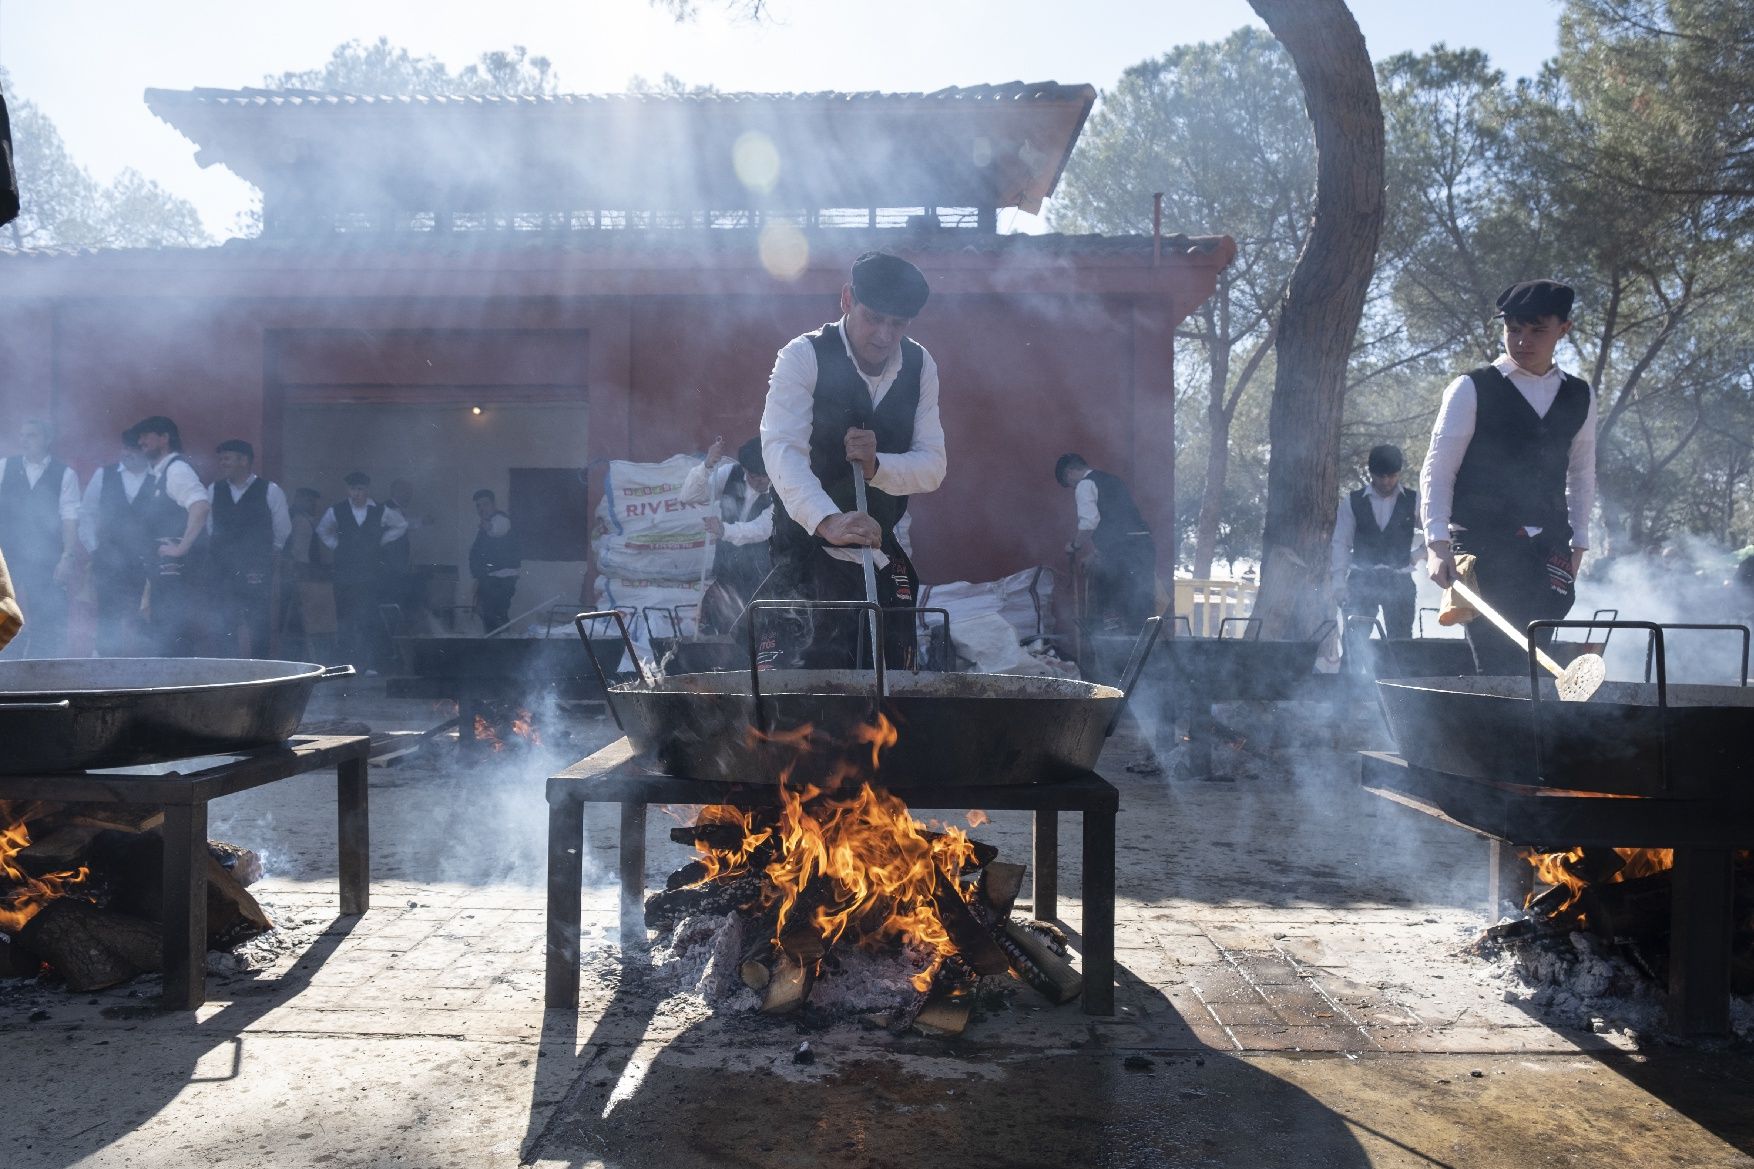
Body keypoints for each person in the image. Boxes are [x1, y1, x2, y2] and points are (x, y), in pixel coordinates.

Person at [757, 251, 945, 669]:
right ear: (846, 300)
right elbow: (782, 452)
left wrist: (878, 468)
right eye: (874, 318)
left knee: (888, 681)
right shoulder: (802, 356)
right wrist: (829, 521)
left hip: (878, 546)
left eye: (897, 324)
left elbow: (933, 466)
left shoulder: (920, 365)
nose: (883, 335)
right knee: (805, 688)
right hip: (804, 550)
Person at [1421, 279, 1597, 675]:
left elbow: (1582, 472)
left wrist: (1580, 541)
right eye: (1514, 329)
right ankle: (1498, 733)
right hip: (1484, 545)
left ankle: (1530, 734)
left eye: (1537, 330)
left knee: (1534, 660)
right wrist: (1436, 543)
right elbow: (1438, 467)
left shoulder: (1580, 395)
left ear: (1563, 330)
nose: (1523, 340)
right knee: (1497, 663)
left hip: (1550, 547)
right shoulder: (1471, 388)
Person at [0, 419, 81, 657]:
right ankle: (4, 672)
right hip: (9, 556)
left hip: (47, 558)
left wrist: (67, 556)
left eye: (32, 435)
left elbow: (70, 518)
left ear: (47, 440)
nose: (25, 441)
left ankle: (40, 674)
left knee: (48, 619)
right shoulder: (4, 466)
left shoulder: (65, 474)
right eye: (23, 435)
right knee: (5, 615)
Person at [132, 415, 210, 657]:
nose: (140, 440)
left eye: (147, 434)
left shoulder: (177, 469)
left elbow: (200, 505)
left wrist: (181, 547)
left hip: (176, 573)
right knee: (164, 632)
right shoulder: (159, 473)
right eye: (140, 436)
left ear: (165, 438)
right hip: (163, 571)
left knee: (173, 634)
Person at [207, 439, 292, 657]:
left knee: (258, 622)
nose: (222, 463)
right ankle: (229, 675)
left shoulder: (270, 490)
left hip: (256, 567)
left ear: (244, 460)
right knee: (225, 622)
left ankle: (260, 673)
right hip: (222, 568)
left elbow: (282, 528)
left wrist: (267, 553)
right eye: (221, 459)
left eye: (227, 458)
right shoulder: (213, 490)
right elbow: (208, 527)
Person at [1331, 444, 1424, 641]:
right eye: (1380, 476)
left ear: (1398, 473)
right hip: (1361, 580)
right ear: (1371, 473)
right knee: (1352, 642)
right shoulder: (1352, 501)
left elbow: (1436, 533)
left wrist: (1416, 556)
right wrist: (1338, 582)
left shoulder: (1414, 500)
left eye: (1391, 476)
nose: (1386, 481)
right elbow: (1341, 543)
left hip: (1399, 581)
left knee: (1401, 646)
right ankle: (1349, 673)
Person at [1055, 453, 1156, 633]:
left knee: (1107, 602)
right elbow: (1118, 526)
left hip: (1124, 554)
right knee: (1140, 604)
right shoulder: (1113, 481)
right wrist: (1095, 554)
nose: (1072, 488)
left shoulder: (1085, 485)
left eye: (1068, 484)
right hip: (1143, 548)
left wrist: (1074, 546)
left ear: (1069, 472)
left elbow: (1089, 523)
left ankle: (1112, 651)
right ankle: (1147, 654)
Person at [681, 436, 774, 631]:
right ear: (746, 470)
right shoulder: (729, 473)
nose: (762, 482)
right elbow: (689, 496)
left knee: (756, 629)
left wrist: (724, 530)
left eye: (766, 476)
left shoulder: (780, 490)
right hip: (727, 572)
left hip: (762, 577)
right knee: (717, 623)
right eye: (756, 476)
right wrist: (707, 465)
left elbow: (763, 528)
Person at [316, 471, 407, 671]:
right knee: (345, 618)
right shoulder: (337, 510)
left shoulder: (380, 510)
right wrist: (336, 546)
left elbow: (401, 525)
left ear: (367, 490)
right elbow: (322, 530)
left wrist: (381, 542)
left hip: (370, 574)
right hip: (344, 574)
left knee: (368, 618)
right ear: (347, 490)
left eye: (360, 489)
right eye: (353, 489)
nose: (356, 493)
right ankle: (346, 665)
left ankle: (370, 664)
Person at [78, 428, 154, 656]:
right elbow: (86, 513)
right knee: (107, 616)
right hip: (109, 560)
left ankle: (146, 670)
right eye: (125, 447)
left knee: (145, 616)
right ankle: (103, 670)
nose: (127, 453)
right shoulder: (104, 475)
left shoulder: (159, 477)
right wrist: (95, 547)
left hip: (148, 561)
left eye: (134, 448)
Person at [468, 488, 521, 634]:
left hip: (501, 580)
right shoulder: (487, 523)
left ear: (493, 504)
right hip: (491, 579)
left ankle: (501, 648)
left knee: (495, 616)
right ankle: (498, 646)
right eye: (478, 506)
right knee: (490, 615)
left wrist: (488, 526)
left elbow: (498, 529)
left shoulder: (500, 519)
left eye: (485, 504)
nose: (481, 509)